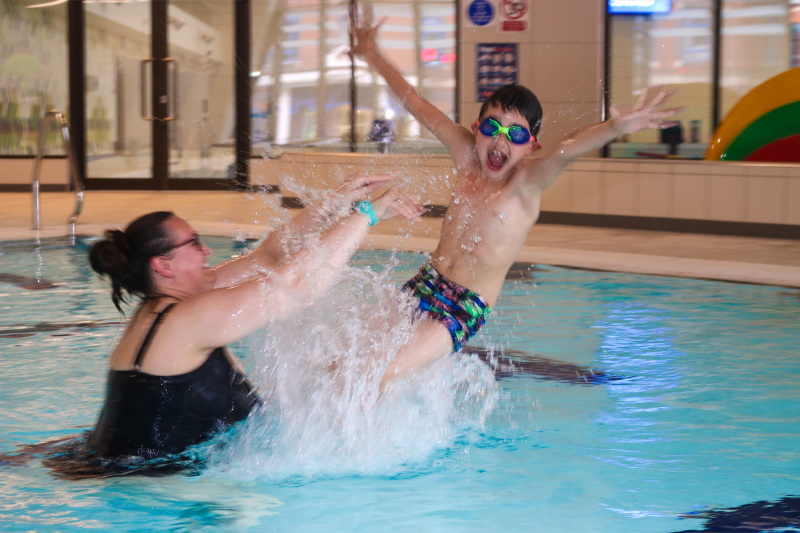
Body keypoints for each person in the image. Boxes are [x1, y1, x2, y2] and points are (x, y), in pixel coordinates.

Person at [349, 12, 684, 391]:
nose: (500, 143)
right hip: (426, 282)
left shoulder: (526, 184)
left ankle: (350, 448)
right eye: (492, 128)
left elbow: (568, 148)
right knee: (352, 355)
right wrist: (371, 53)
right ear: (476, 130)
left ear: (532, 146)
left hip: (462, 308)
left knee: (387, 371)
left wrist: (618, 127)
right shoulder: (465, 156)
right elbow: (416, 103)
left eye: (515, 135)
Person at [28, 174, 423, 477]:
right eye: (194, 244)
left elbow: (270, 255)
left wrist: (338, 200)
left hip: (117, 465)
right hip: (153, 487)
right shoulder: (187, 320)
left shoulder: (166, 308)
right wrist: (367, 215)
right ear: (163, 266)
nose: (206, 252)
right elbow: (297, 287)